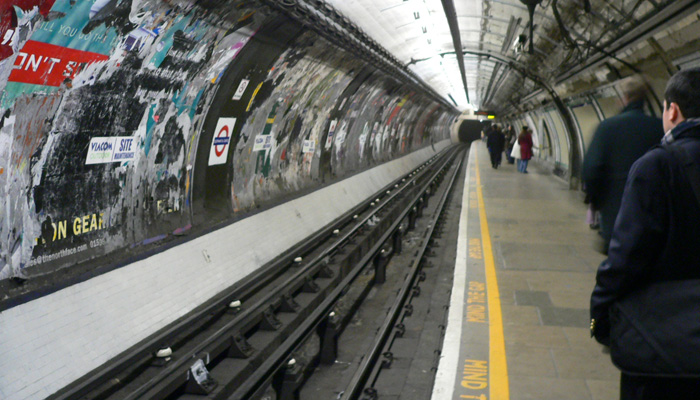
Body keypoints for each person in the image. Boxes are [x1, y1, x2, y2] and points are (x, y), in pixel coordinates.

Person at [590, 68, 700, 399]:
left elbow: (627, 257)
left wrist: (601, 315)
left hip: (664, 342)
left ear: (673, 110)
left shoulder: (657, 165)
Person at [582, 76, 663, 254]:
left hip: (615, 209)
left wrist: (595, 201)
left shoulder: (608, 127)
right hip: (653, 211)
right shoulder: (660, 127)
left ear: (624, 97)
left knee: (617, 261)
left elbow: (591, 169)